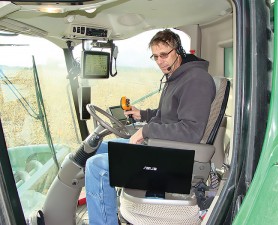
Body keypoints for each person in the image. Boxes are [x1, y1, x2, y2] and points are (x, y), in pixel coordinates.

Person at [85, 29, 216, 225]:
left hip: (174, 158)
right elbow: (167, 115)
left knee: (96, 166)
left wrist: (146, 130)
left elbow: (191, 131)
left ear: (178, 50)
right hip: (160, 145)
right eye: (155, 56)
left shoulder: (196, 80)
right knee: (99, 148)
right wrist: (143, 115)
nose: (160, 61)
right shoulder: (176, 76)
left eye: (164, 55)